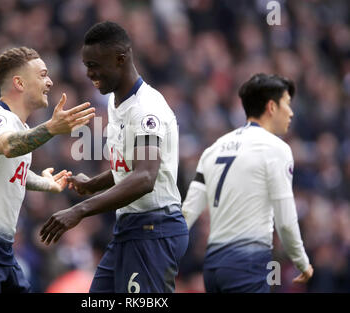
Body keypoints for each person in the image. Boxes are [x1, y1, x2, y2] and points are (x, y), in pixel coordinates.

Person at [39, 21, 189, 293]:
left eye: (95, 65)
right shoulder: (115, 101)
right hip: (131, 229)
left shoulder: (146, 109)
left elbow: (145, 177)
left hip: (154, 230)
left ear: (120, 59)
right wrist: (93, 184)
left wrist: (80, 210)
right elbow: (130, 168)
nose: (89, 73)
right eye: (86, 65)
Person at [0, 46, 95, 293]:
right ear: (19, 83)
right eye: (43, 74)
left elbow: (10, 171)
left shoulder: (18, 126)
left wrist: (45, 183)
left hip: (1, 251)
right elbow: (8, 147)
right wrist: (52, 129)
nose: (50, 81)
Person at [182, 73, 314, 293]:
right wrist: (301, 261)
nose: (291, 113)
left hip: (213, 265)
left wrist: (164, 254)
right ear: (271, 107)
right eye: (287, 105)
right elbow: (285, 220)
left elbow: (187, 214)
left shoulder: (214, 148)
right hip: (247, 262)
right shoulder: (276, 149)